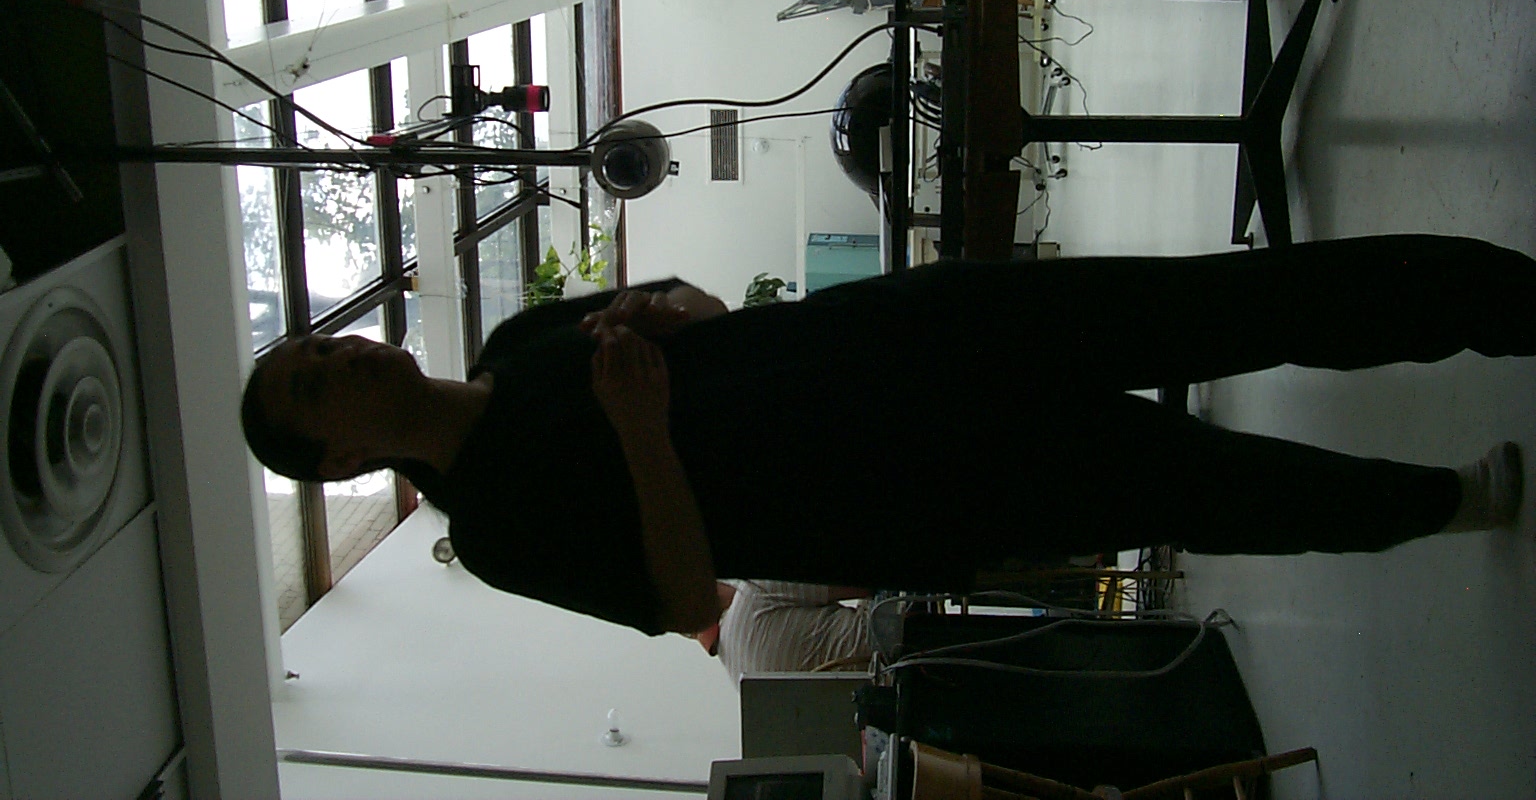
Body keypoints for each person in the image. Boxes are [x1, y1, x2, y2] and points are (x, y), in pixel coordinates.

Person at [241, 235, 1532, 638]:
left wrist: (667, 309)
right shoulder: (498, 534)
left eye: (322, 343)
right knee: (1202, 485)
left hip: (919, 334)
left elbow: (699, 309)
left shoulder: (520, 343)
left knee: (1212, 304)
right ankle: (1438, 503)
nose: (342, 353)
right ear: (342, 462)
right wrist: (639, 433)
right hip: (915, 488)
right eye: (316, 383)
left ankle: (1490, 299)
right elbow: (686, 600)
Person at [692, 580, 874, 684]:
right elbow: (863, 581)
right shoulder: (753, 593)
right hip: (883, 636)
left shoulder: (741, 680)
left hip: (875, 697)